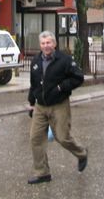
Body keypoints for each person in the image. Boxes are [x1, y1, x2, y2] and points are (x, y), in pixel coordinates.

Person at [27, 31, 88, 185]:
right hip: (40, 106)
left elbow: (78, 77)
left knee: (62, 137)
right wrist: (31, 102)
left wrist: (61, 87)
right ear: (40, 45)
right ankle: (42, 173)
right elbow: (34, 84)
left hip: (59, 105)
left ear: (54, 44)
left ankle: (81, 153)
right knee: (35, 138)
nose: (46, 46)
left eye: (48, 43)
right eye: (43, 43)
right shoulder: (35, 61)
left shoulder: (65, 60)